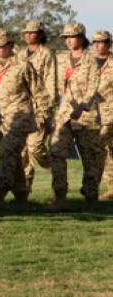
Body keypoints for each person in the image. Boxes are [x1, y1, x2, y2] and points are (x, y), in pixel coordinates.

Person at [0, 30, 50, 210]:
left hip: (20, 116)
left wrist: (43, 115)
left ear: (10, 45)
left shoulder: (23, 65)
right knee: (14, 157)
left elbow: (39, 92)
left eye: (1, 47)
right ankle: (22, 198)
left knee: (7, 152)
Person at [49, 23, 103, 211]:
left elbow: (93, 86)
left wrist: (83, 106)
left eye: (72, 37)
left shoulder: (91, 60)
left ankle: (90, 198)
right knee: (56, 153)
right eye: (66, 37)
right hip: (64, 115)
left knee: (91, 158)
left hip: (86, 116)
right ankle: (60, 197)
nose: (68, 41)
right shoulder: (62, 60)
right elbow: (56, 85)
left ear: (81, 37)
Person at [18, 20, 57, 194]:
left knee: (35, 146)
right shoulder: (20, 54)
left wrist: (47, 108)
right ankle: (25, 188)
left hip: (40, 106)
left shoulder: (47, 54)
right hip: (22, 107)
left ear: (40, 34)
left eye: (32, 32)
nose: (28, 35)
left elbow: (51, 81)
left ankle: (55, 168)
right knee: (23, 151)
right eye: (26, 32)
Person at [90, 30, 113, 200]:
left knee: (100, 149)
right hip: (95, 116)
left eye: (102, 42)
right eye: (95, 42)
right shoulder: (88, 64)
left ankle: (91, 187)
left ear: (109, 44)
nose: (98, 45)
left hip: (111, 114)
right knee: (104, 150)